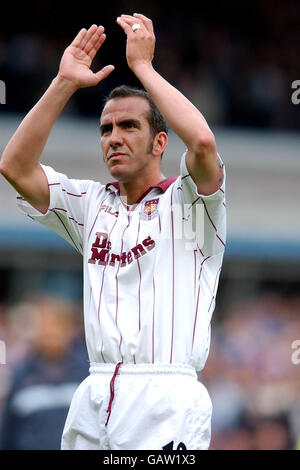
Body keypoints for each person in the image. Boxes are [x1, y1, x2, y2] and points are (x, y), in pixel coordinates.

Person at [0, 13, 226, 450]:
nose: (113, 138)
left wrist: (144, 68)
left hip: (166, 398)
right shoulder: (90, 204)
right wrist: (64, 82)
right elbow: (14, 166)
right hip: (94, 391)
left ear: (159, 142)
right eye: (106, 129)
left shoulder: (193, 205)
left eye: (128, 126)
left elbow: (201, 142)